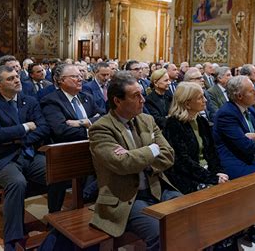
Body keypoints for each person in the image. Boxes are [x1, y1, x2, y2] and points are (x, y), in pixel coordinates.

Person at [88, 71, 181, 250]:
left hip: (157, 189)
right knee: (162, 233)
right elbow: (123, 164)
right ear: (117, 101)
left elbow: (169, 155)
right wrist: (152, 149)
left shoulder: (146, 119)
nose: (143, 100)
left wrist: (135, 155)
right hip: (125, 199)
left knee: (194, 215)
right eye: (136, 96)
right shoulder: (101, 128)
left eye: (142, 94)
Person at [0, 65, 65, 250]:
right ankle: (13, 238)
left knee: (57, 173)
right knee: (17, 183)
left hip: (28, 153)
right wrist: (26, 127)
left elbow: (43, 128)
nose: (17, 80)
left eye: (17, 76)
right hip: (3, 158)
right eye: (10, 78)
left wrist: (18, 139)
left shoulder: (29, 100)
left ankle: (54, 221)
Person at [213, 75, 255, 247]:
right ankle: (253, 226)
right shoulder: (227, 114)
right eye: (251, 90)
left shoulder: (251, 110)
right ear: (239, 96)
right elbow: (246, 147)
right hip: (235, 162)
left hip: (253, 157)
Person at [163, 82, 228, 194]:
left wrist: (218, 172)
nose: (205, 100)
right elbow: (182, 161)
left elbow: (212, 152)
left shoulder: (201, 121)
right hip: (188, 177)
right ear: (187, 103)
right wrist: (211, 178)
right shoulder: (173, 124)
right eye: (200, 98)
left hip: (207, 172)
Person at [40, 63, 103, 143]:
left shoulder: (87, 97)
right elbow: (61, 130)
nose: (80, 79)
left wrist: (85, 122)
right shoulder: (51, 100)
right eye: (74, 76)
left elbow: (104, 117)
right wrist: (90, 131)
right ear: (61, 80)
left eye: (80, 76)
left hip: (94, 145)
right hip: (68, 149)